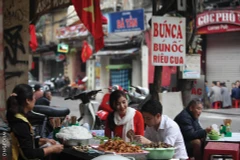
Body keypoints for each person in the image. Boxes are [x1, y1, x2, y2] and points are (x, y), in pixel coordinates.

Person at [6, 84, 63, 160]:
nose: (35, 99)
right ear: (28, 100)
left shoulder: (14, 115)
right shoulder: (20, 123)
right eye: (33, 97)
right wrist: (52, 149)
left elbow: (24, 143)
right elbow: (29, 154)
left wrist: (43, 141)